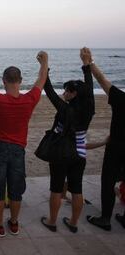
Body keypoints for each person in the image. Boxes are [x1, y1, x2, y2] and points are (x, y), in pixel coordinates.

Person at [0, 51, 48, 237]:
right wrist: (44, 63)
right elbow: (41, 80)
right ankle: (13, 223)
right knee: (16, 188)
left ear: (4, 80)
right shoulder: (29, 100)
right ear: (20, 80)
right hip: (18, 150)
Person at [40, 48, 95, 233]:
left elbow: (48, 90)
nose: (64, 93)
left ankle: (52, 221)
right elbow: (89, 86)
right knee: (77, 190)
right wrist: (86, 65)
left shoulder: (65, 109)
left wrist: (44, 66)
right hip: (80, 154)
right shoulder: (89, 108)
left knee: (56, 188)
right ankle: (73, 223)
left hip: (61, 153)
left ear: (73, 94)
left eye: (67, 91)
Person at [86, 48, 125, 231]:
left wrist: (89, 62)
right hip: (116, 144)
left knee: (108, 181)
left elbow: (102, 80)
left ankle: (105, 218)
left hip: (116, 146)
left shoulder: (121, 99)